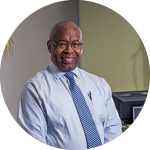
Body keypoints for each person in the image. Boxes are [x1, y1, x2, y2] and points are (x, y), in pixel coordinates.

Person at [17, 21, 122, 150]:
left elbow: (112, 128)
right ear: (50, 46)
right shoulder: (34, 89)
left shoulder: (99, 84)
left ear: (81, 48)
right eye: (62, 44)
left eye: (75, 44)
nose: (70, 50)